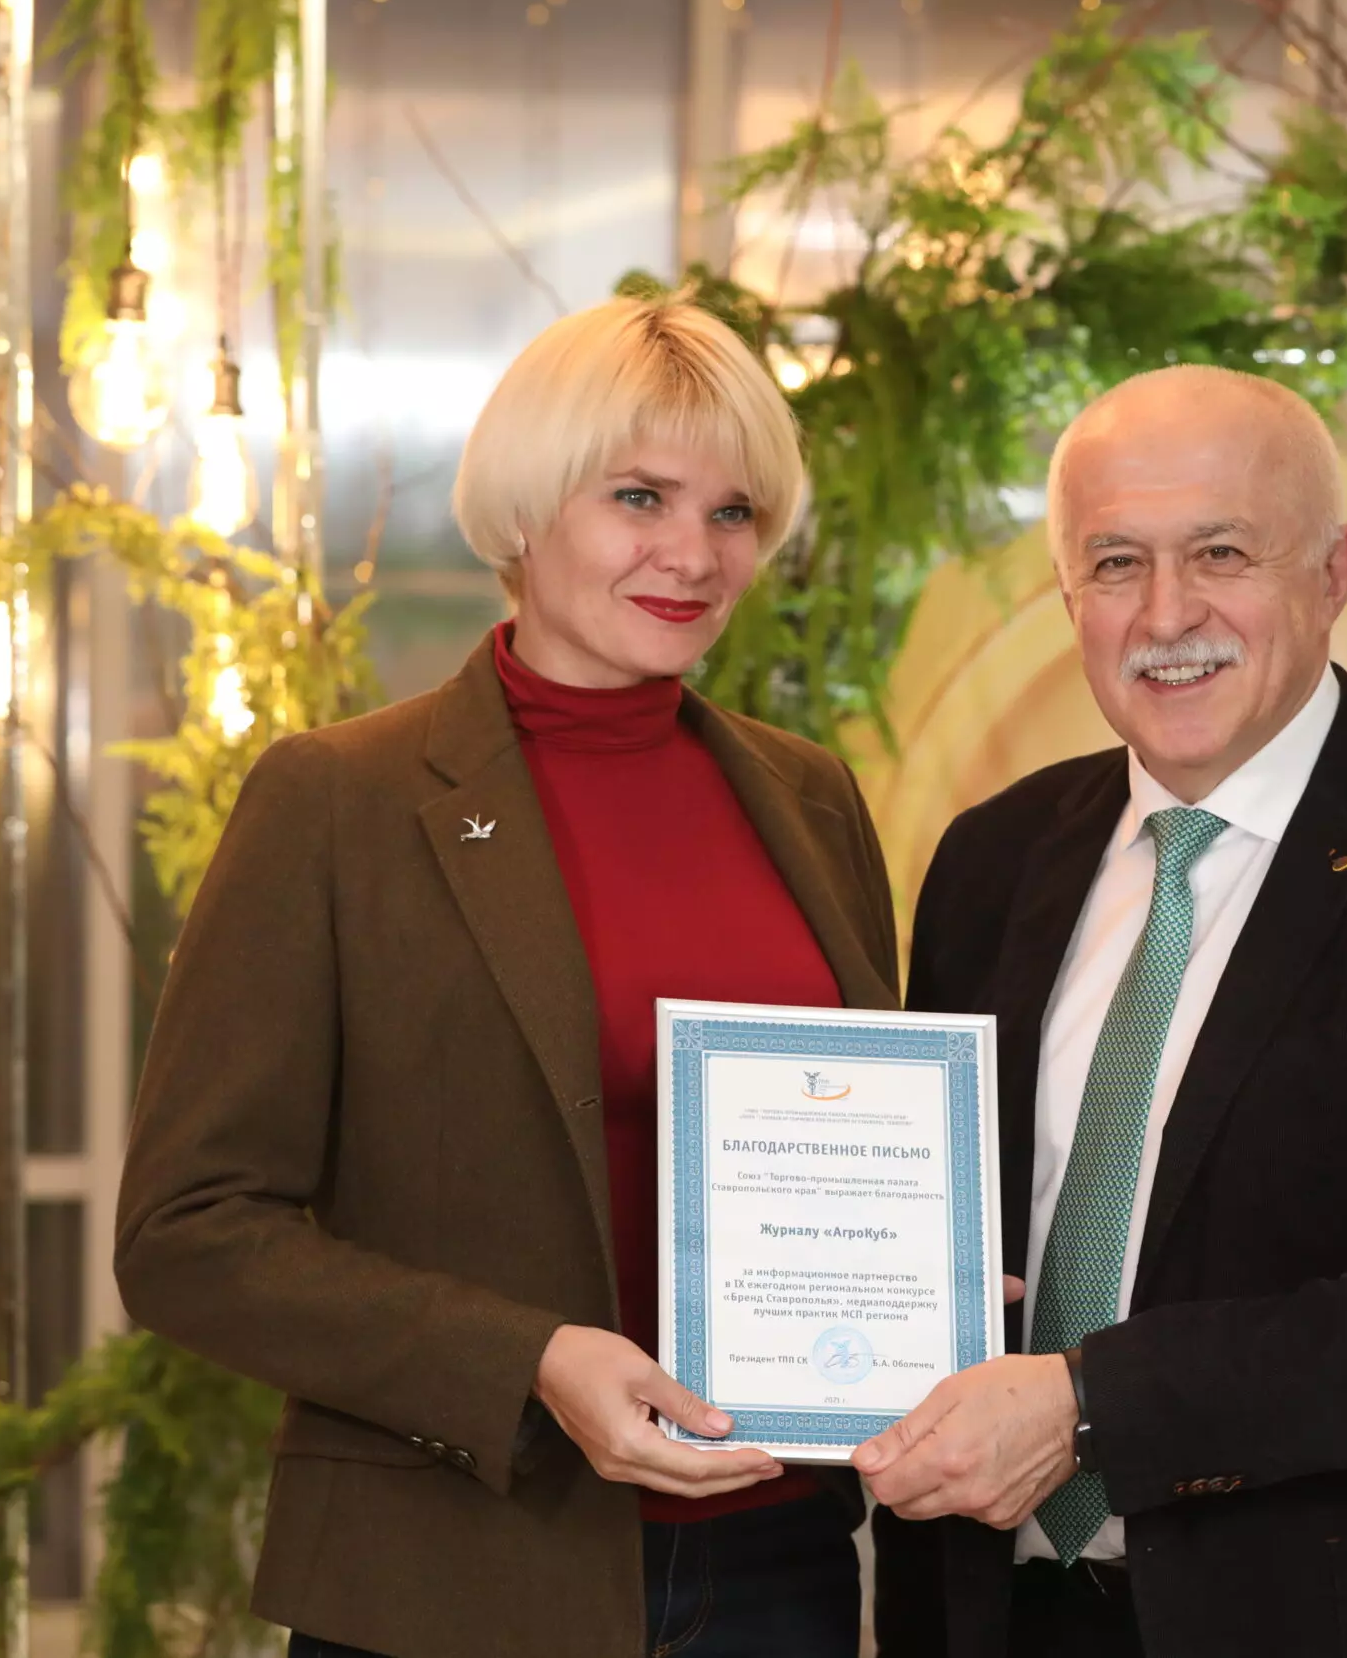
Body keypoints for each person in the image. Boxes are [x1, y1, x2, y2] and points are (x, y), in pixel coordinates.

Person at [115, 295, 896, 1658]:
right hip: (454, 1571)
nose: (693, 554)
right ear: (525, 510)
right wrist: (527, 1361)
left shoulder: (809, 796)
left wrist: (924, 1263)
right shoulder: (339, 801)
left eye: (733, 512)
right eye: (640, 497)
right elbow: (188, 1232)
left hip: (776, 1565)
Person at [860, 365, 1347, 1658]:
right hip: (1001, 1618)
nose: (1168, 613)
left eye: (1221, 552)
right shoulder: (992, 857)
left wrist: (1093, 1407)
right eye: (1116, 563)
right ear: (1068, 594)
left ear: (1335, 572)